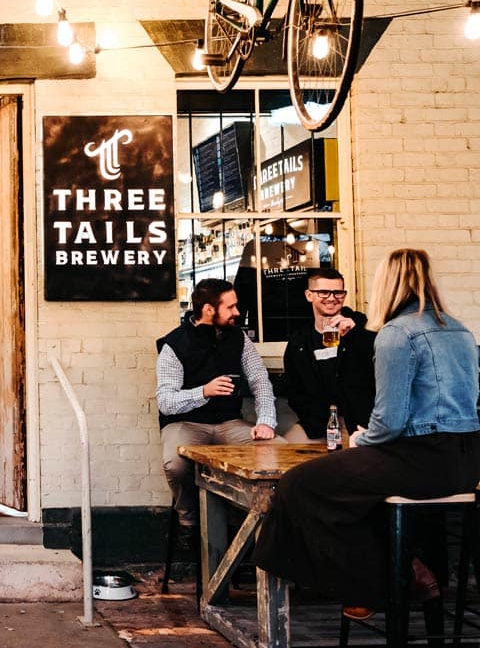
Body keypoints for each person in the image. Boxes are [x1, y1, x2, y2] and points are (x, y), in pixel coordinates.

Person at [254, 249, 480, 615]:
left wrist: (363, 440)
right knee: (353, 493)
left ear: (386, 284)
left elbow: (389, 421)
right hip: (467, 460)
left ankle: (380, 587)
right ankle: (410, 570)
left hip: (423, 459)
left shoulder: (396, 333)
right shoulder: (459, 329)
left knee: (298, 486)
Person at [156, 278, 282, 547]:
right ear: (209, 310)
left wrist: (266, 421)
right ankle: (188, 519)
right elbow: (166, 402)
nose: (237, 312)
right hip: (186, 423)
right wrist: (203, 391)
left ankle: (251, 521)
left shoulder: (238, 339)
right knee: (175, 463)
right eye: (231, 307)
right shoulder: (174, 344)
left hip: (229, 423)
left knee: (277, 451)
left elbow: (260, 380)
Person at [280, 266, 376, 438]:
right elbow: (293, 389)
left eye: (338, 293)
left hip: (354, 421)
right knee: (283, 449)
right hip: (316, 423)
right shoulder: (300, 341)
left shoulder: (362, 328)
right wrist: (315, 416)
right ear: (309, 295)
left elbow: (378, 370)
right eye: (323, 292)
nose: (332, 298)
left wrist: (356, 335)